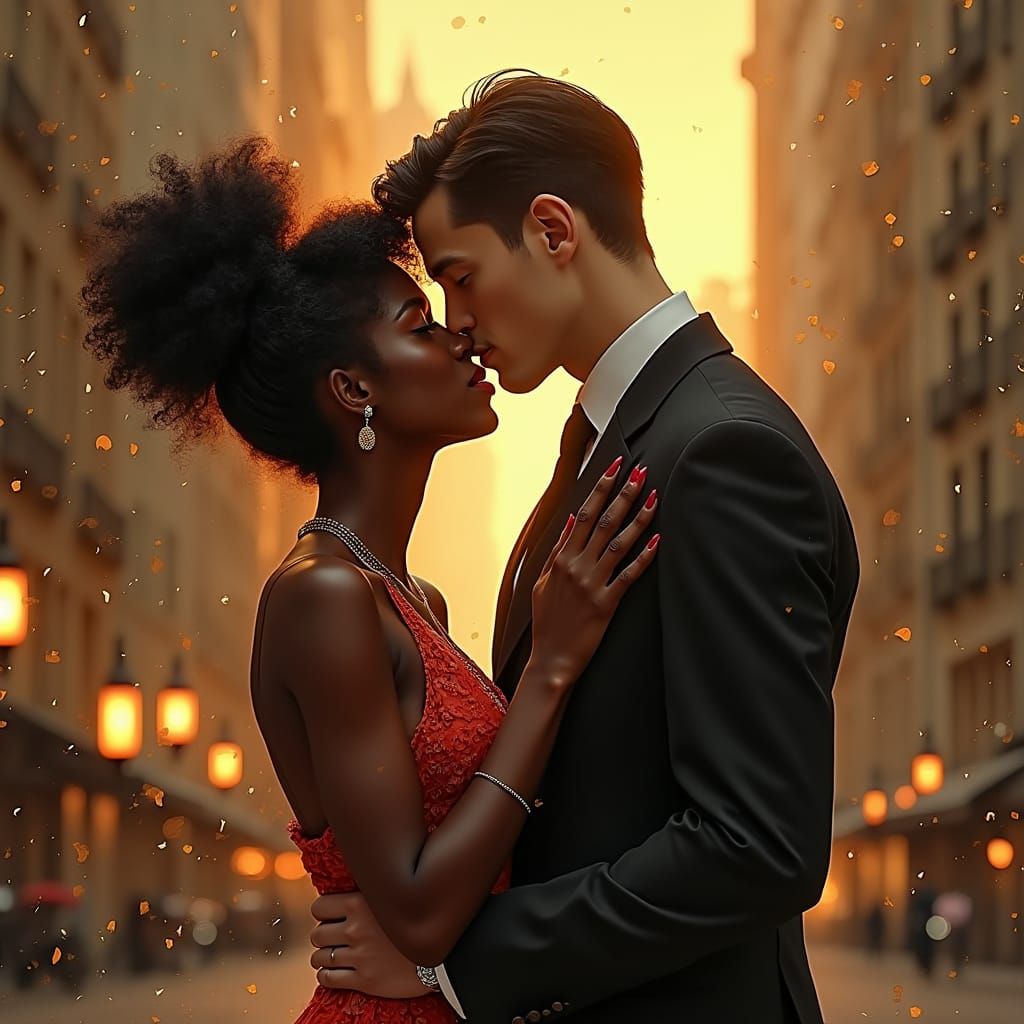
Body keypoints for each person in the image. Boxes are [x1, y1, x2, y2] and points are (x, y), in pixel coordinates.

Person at [309, 71, 860, 1024]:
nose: (460, 326)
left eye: (461, 277)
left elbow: (756, 843)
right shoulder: (607, 441)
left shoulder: (724, 449)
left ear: (554, 231)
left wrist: (458, 960)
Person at [79, 136, 659, 1024]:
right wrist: (549, 668)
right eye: (421, 326)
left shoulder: (408, 599)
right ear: (355, 390)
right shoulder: (322, 597)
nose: (461, 334)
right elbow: (420, 912)